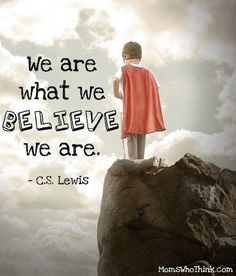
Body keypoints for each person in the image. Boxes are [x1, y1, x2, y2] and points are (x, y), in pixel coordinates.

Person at [113, 41, 165, 160]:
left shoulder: (124, 69)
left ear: (125, 56)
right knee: (141, 138)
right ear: (140, 57)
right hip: (143, 113)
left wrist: (117, 94)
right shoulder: (148, 73)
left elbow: (115, 80)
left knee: (129, 139)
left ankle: (132, 166)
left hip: (128, 112)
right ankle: (140, 164)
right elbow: (156, 87)